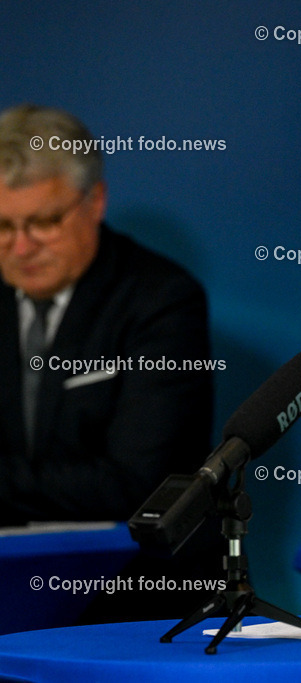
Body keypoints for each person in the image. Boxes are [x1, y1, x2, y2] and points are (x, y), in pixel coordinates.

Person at [0, 104, 218, 618]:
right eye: (3, 226)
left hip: (140, 597)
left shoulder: (162, 299)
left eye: (44, 222)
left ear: (94, 201)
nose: (21, 246)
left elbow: (136, 483)